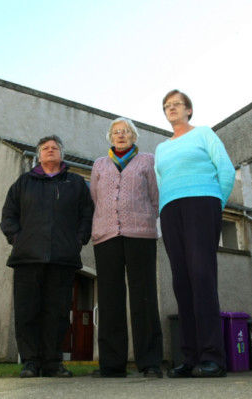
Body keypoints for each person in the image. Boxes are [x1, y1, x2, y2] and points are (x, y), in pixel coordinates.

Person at [154, 90, 235, 378]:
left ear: (189, 110)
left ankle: (213, 357)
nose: (171, 108)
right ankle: (189, 358)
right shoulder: (161, 149)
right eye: (167, 106)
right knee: (182, 282)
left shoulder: (204, 134)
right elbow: (161, 181)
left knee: (202, 277)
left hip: (203, 203)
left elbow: (225, 170)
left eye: (176, 104)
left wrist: (215, 205)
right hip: (171, 210)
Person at [0, 135, 94, 378]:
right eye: (45, 148)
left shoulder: (75, 183)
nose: (50, 151)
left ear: (61, 154)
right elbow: (9, 215)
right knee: (27, 312)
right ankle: (30, 362)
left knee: (58, 313)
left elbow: (87, 214)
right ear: (39, 155)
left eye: (54, 148)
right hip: (27, 258)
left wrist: (79, 240)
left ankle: (52, 363)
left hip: (62, 258)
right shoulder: (24, 182)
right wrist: (16, 239)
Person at [90, 117, 163, 378]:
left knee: (144, 297)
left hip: (140, 235)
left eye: (125, 131)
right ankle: (111, 364)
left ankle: (151, 362)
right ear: (110, 137)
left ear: (134, 136)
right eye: (116, 132)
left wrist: (141, 219)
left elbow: (155, 197)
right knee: (110, 300)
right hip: (106, 236)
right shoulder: (99, 164)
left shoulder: (148, 160)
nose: (120, 135)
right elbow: (96, 199)